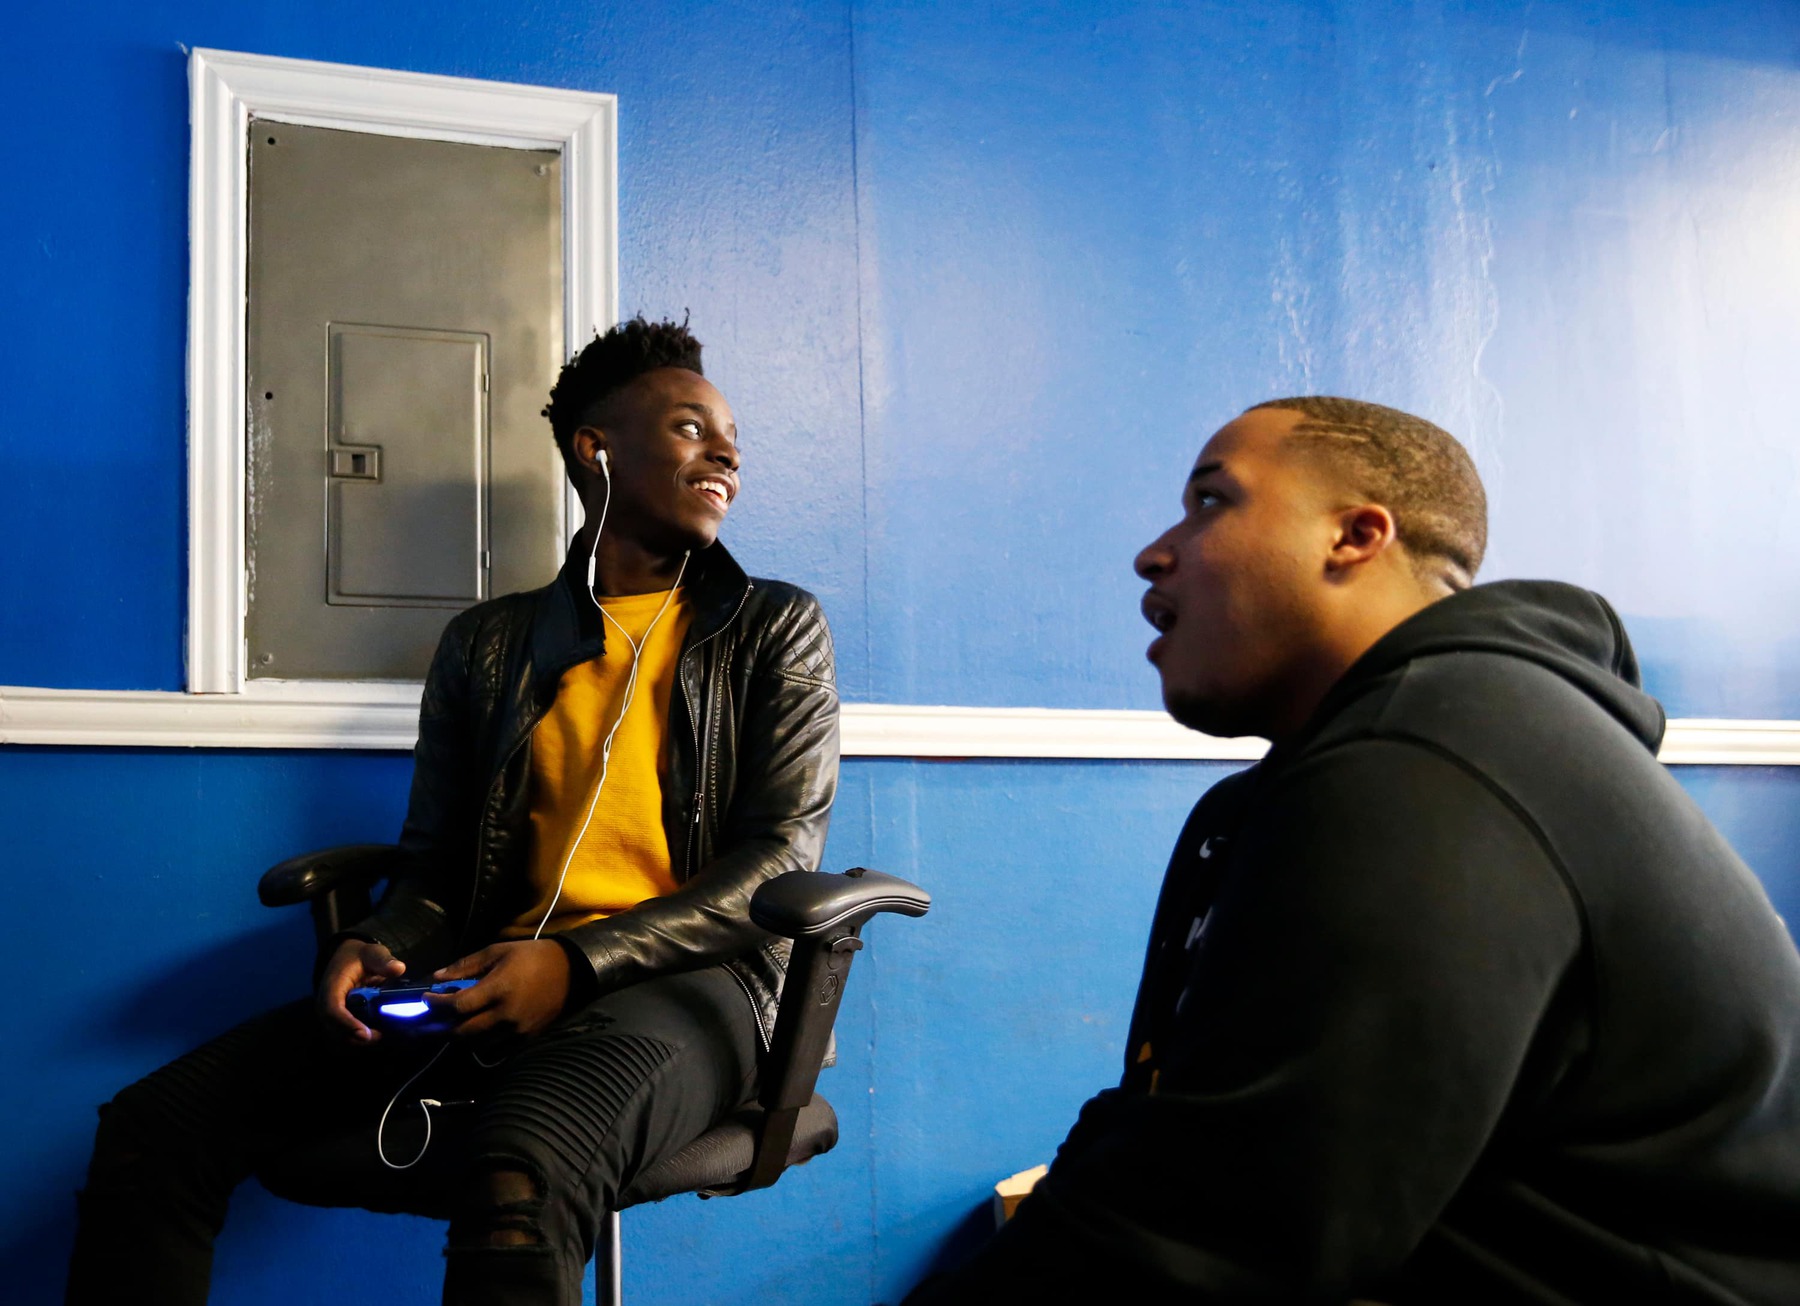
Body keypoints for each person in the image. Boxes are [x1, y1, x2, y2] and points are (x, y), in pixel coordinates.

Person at [908, 397, 1800, 1304]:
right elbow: (1163, 1122)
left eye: (1212, 502)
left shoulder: (1430, 764)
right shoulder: (1334, 775)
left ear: (1356, 536)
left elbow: (1212, 1239)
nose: (1155, 552)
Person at [66, 316, 840, 1305]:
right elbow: (434, 864)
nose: (727, 452)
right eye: (693, 428)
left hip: (693, 985)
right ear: (594, 451)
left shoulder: (772, 625)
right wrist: (381, 939)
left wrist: (577, 962)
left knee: (520, 1168)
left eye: (729, 436)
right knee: (157, 1123)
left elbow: (777, 862)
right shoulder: (487, 644)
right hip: (487, 973)